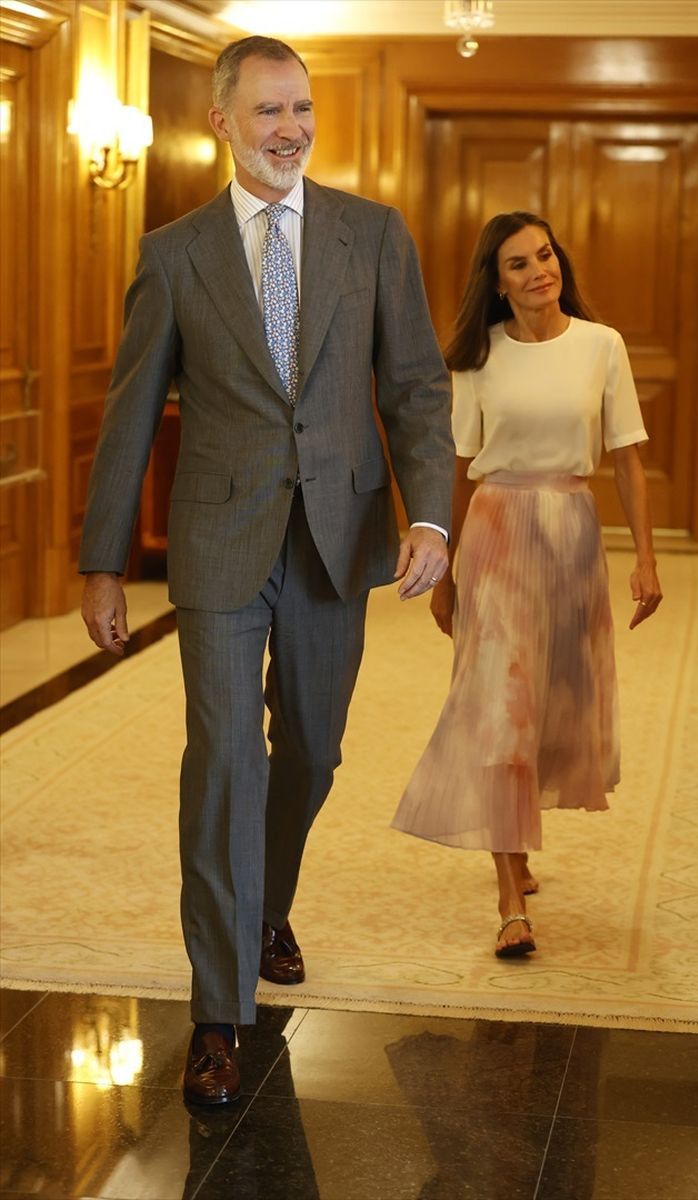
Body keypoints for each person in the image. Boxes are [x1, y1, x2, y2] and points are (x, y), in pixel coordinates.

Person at [79, 36, 453, 1105]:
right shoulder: (175, 252)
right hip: (217, 542)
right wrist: (106, 563)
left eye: (301, 110)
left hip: (338, 538)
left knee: (315, 753)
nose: (289, 128)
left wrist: (430, 513)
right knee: (225, 757)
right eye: (268, 112)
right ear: (222, 122)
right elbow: (128, 415)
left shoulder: (372, 235)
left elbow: (417, 387)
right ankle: (219, 1008)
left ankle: (267, 901)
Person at [392, 211, 662, 959]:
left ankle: (517, 850)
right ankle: (510, 894)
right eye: (518, 263)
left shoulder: (601, 346)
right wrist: (442, 567)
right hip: (497, 534)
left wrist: (646, 557)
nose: (539, 270)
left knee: (548, 707)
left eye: (544, 255)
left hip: (572, 533)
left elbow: (629, 459)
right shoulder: (477, 359)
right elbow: (452, 465)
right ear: (497, 280)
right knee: (500, 710)